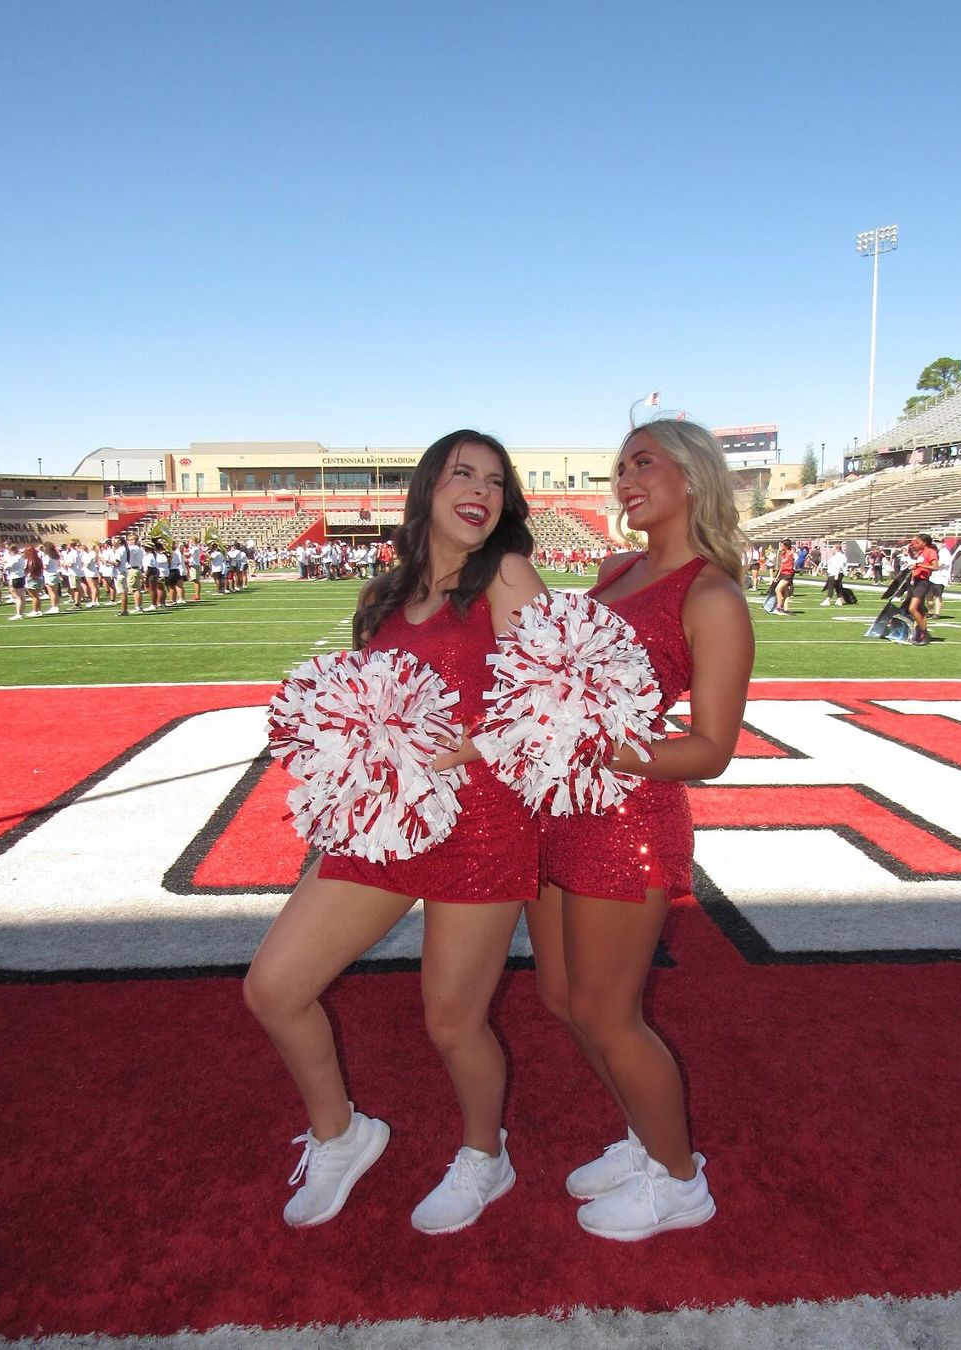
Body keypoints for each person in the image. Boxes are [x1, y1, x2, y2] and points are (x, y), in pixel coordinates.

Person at [244, 430, 546, 1234]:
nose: (481, 490)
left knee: (451, 1021)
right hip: (385, 822)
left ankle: (486, 1156)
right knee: (274, 987)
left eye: (495, 480)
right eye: (462, 474)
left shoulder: (506, 575)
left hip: (483, 823)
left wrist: (477, 741)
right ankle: (340, 1134)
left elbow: (560, 694)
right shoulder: (381, 594)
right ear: (427, 490)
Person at [529, 418, 754, 1241]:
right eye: (619, 467)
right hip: (560, 807)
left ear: (691, 476)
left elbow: (712, 749)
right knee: (562, 999)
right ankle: (646, 1138)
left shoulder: (712, 596)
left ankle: (681, 1181)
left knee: (607, 1011)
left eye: (643, 463)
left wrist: (597, 744)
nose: (624, 480)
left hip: (628, 820)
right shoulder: (615, 569)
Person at [907, 533, 938, 645]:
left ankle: (924, 632)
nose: (916, 545)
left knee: (912, 608)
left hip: (923, 582)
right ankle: (920, 634)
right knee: (921, 611)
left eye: (918, 543)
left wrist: (920, 566)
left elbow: (935, 567)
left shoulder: (930, 551)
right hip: (916, 581)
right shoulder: (921, 553)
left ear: (924, 543)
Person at [929, 541, 954, 617]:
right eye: (935, 541)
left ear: (943, 543)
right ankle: (930, 612)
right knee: (929, 596)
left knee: (937, 595)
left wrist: (927, 565)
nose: (936, 543)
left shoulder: (944, 552)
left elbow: (940, 564)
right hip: (932, 577)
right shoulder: (936, 551)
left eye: (938, 541)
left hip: (940, 577)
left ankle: (937, 613)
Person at [820, 541, 847, 606]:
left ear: (836, 549)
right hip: (833, 573)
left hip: (835, 573)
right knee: (837, 586)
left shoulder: (839, 556)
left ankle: (828, 600)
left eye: (833, 548)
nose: (832, 549)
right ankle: (839, 599)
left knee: (831, 587)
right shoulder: (836, 556)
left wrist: (836, 574)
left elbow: (839, 566)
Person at [774, 537, 795, 614]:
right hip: (783, 573)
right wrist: (777, 577)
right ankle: (785, 609)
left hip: (788, 574)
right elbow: (782, 566)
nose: (781, 547)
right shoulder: (783, 554)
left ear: (786, 546)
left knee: (777, 589)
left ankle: (779, 607)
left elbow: (786, 562)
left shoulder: (790, 553)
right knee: (785, 593)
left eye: (782, 546)